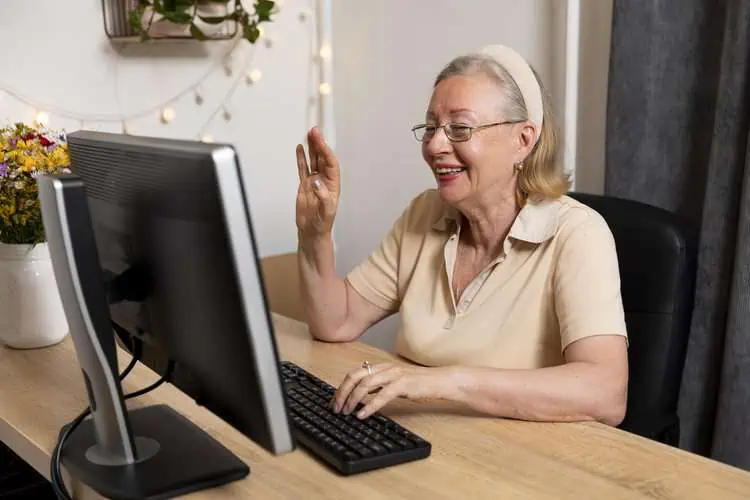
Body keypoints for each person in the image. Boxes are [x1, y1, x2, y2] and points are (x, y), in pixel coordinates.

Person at [294, 45, 628, 427]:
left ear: (523, 140)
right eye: (432, 127)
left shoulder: (577, 234)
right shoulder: (425, 212)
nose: (436, 145)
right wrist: (315, 234)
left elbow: (606, 393)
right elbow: (337, 322)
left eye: (460, 128)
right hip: (430, 438)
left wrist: (446, 380)